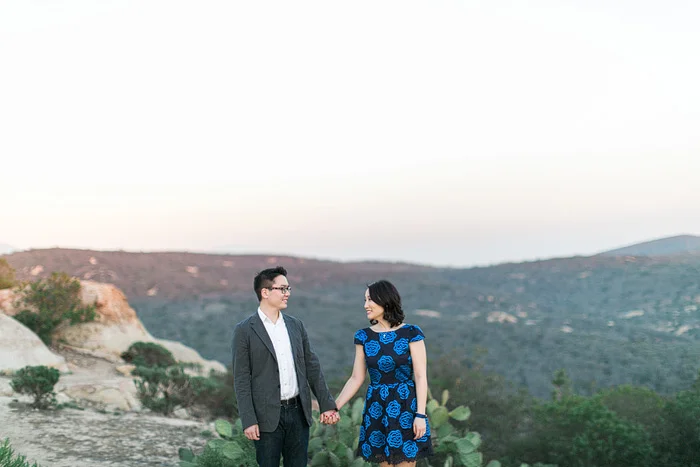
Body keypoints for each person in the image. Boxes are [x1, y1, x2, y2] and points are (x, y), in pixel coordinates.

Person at [232, 266, 339, 467]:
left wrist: (327, 404)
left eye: (288, 288)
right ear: (265, 292)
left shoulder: (296, 325)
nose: (287, 293)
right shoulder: (244, 330)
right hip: (265, 417)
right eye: (282, 289)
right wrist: (248, 420)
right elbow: (241, 379)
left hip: (299, 414)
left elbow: (312, 366)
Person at [334, 279, 433, 466]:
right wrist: (335, 406)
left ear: (385, 300)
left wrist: (420, 415)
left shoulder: (411, 333)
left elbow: (421, 376)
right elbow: (356, 378)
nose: (365, 305)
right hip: (377, 408)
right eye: (365, 300)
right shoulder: (363, 336)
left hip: (406, 407)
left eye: (370, 300)